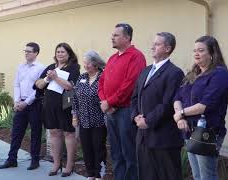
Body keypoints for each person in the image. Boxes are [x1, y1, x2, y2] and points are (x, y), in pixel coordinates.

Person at [173, 36, 228, 180]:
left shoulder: (220, 74)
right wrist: (180, 117)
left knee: (207, 176)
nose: (196, 54)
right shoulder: (192, 74)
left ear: (212, 53)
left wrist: (181, 113)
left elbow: (204, 106)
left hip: (208, 133)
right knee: (197, 175)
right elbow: (177, 97)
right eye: (194, 51)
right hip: (189, 131)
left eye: (201, 50)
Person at [131, 32, 184, 180]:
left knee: (167, 175)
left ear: (167, 48)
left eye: (157, 44)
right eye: (153, 43)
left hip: (163, 137)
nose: (152, 46)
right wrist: (136, 117)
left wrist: (147, 121)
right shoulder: (146, 71)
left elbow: (167, 104)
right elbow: (135, 96)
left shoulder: (175, 73)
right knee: (146, 175)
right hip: (142, 136)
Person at [98, 23, 146, 180]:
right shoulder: (112, 58)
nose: (112, 37)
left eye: (116, 35)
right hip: (110, 112)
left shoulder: (136, 56)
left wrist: (110, 102)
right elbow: (102, 81)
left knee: (129, 153)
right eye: (112, 35)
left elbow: (130, 85)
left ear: (127, 37)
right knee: (116, 153)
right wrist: (104, 101)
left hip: (125, 112)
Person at [0, 42, 45, 170]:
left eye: (29, 51)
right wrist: (17, 101)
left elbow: (39, 89)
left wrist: (26, 103)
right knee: (16, 132)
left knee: (35, 132)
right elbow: (17, 84)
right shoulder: (20, 67)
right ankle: (12, 159)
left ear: (36, 53)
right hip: (20, 103)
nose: (26, 53)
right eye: (25, 51)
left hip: (35, 104)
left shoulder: (41, 68)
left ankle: (35, 160)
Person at [35, 42, 80, 177]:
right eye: (58, 52)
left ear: (69, 54)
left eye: (63, 52)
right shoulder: (50, 67)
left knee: (69, 134)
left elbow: (69, 87)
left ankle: (69, 165)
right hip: (50, 105)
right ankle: (56, 163)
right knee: (54, 133)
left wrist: (55, 77)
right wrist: (48, 78)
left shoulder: (74, 67)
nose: (60, 54)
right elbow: (38, 84)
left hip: (66, 105)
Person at [72, 50, 107, 180]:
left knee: (98, 148)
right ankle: (90, 174)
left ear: (96, 64)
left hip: (99, 120)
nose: (86, 66)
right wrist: (74, 116)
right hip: (84, 120)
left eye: (88, 63)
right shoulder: (82, 77)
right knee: (86, 148)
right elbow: (75, 98)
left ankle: (99, 174)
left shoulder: (103, 77)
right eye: (85, 63)